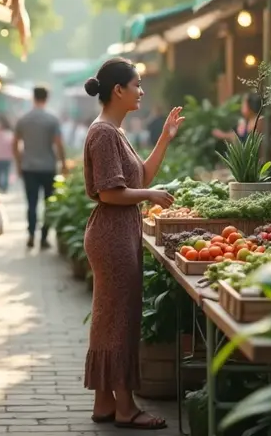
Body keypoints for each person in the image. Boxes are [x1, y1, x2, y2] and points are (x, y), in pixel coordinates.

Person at [81, 57, 183, 431]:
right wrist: (150, 195)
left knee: (111, 316)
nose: (142, 91)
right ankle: (125, 407)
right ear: (118, 90)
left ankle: (104, 402)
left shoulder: (114, 131)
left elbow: (141, 175)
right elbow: (110, 193)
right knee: (120, 318)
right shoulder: (105, 133)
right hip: (112, 233)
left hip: (119, 230)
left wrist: (164, 138)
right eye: (137, 84)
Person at [14, 86, 67, 249]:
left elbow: (15, 143)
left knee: (31, 203)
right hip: (48, 167)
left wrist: (18, 163)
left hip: (29, 166)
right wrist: (63, 163)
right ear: (47, 98)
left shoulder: (24, 119)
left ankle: (31, 234)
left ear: (33, 97)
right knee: (48, 203)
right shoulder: (51, 119)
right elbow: (58, 143)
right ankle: (44, 237)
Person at [0, 118, 15, 193]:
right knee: (6, 172)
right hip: (7, 157)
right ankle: (4, 187)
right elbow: (12, 145)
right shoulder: (9, 134)